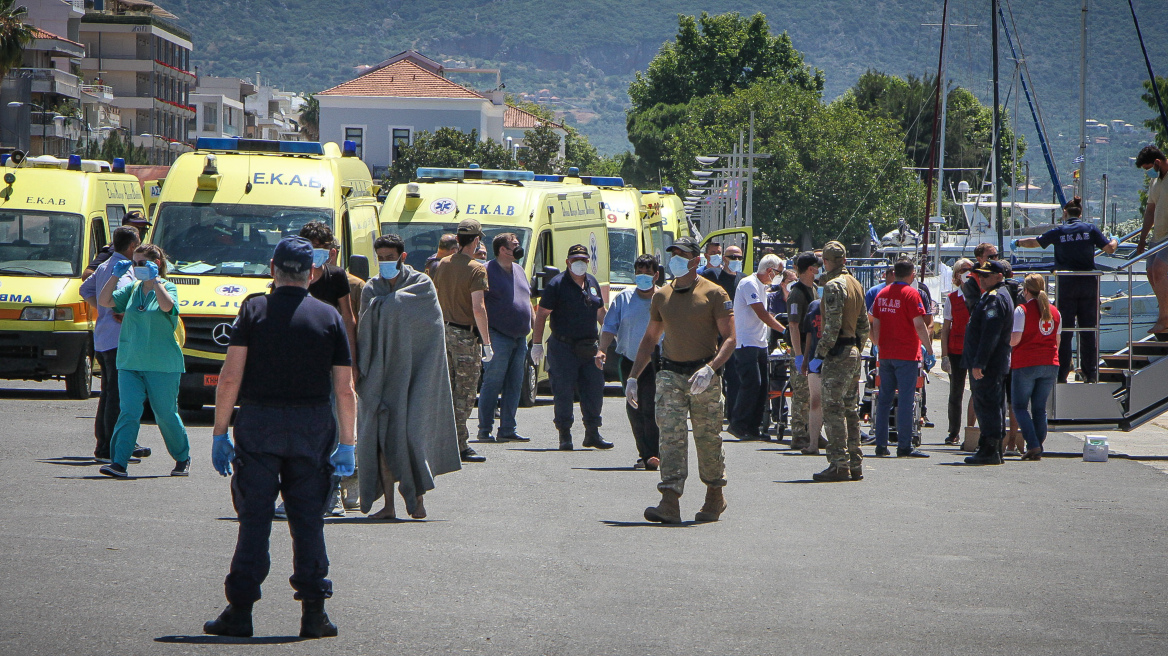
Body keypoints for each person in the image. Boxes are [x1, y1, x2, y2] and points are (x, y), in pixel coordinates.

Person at [203, 236, 356, 640]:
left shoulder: (254, 309)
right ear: (312, 272)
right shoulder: (328, 317)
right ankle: (313, 614)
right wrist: (348, 443)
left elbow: (230, 376)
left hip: (259, 422)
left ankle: (240, 612)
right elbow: (344, 389)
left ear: (273, 268)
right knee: (308, 521)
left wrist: (220, 433)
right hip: (311, 425)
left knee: (254, 519)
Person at [629, 236, 735, 523]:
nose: (675, 258)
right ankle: (670, 500)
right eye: (673, 253)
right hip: (670, 374)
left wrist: (711, 369)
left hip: (704, 375)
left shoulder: (715, 294)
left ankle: (715, 495)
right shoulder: (661, 296)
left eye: (682, 254)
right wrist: (633, 377)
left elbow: (730, 339)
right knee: (670, 438)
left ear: (695, 260)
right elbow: (650, 338)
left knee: (707, 437)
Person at [356, 234, 461, 520]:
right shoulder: (371, 288)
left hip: (416, 373)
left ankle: (416, 496)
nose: (385, 263)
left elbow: (431, 326)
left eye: (390, 257)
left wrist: (388, 305)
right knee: (380, 438)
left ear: (402, 257)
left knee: (411, 434)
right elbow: (365, 329)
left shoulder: (421, 284)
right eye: (381, 258)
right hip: (380, 373)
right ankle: (388, 505)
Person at [95, 244, 190, 478]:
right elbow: (105, 301)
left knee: (165, 414)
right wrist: (115, 274)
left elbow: (168, 307)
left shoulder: (167, 287)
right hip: (130, 362)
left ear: (155, 264)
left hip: (162, 364)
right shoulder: (133, 289)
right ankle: (119, 462)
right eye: (133, 263)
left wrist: (156, 280)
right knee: (128, 411)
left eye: (141, 263)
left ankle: (182, 456)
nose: (136, 268)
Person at [1014, 196, 1117, 383]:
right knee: (1088, 330)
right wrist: (1115, 240)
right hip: (1088, 284)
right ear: (1080, 213)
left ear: (1064, 213)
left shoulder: (1059, 231)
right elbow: (1109, 249)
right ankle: (1090, 373)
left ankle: (1061, 375)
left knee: (1064, 331)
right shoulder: (1090, 229)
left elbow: (1036, 242)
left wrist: (1019, 242)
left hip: (1066, 284)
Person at [531, 244, 610, 451]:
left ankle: (592, 433)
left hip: (589, 348)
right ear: (567, 262)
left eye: (583, 260)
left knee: (594, 390)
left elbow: (601, 311)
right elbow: (541, 314)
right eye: (576, 260)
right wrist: (537, 344)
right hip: (563, 347)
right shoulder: (557, 284)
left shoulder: (591, 282)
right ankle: (564, 434)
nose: (580, 264)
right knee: (563, 392)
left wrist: (613, 333)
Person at [431, 219, 492, 463]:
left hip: (443, 332)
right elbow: (479, 308)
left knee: (447, 390)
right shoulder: (477, 268)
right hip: (465, 336)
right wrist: (486, 343)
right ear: (476, 240)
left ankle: (443, 441)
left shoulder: (443, 264)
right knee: (465, 393)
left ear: (458, 239)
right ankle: (458, 444)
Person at [79, 225, 141, 463]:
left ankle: (103, 445)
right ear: (132, 246)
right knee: (117, 395)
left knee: (107, 394)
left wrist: (102, 308)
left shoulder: (105, 265)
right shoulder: (124, 270)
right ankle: (110, 448)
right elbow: (125, 295)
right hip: (119, 339)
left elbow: (85, 288)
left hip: (103, 337)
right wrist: (117, 309)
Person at [811, 241, 870, 482]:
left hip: (838, 352)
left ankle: (838, 463)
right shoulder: (856, 284)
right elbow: (864, 325)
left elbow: (832, 326)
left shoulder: (834, 286)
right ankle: (854, 462)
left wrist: (820, 354)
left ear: (826, 261)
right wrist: (857, 347)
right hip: (853, 349)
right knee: (850, 410)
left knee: (833, 409)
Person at [598, 254, 661, 470]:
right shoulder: (623, 299)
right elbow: (609, 327)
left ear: (656, 275)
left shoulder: (664, 298)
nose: (643, 277)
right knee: (634, 407)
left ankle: (655, 453)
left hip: (656, 363)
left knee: (652, 407)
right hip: (629, 361)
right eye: (639, 273)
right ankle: (644, 454)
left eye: (648, 273)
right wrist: (602, 349)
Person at [870, 258, 934, 459]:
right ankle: (904, 445)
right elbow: (919, 324)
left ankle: (881, 444)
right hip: (906, 354)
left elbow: (874, 321)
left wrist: (878, 344)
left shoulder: (882, 294)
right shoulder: (911, 294)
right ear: (911, 274)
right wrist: (929, 349)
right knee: (906, 401)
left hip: (886, 353)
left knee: (884, 399)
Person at [477, 233, 533, 443]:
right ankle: (485, 429)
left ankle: (508, 427)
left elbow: (527, 301)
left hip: (520, 338)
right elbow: (479, 302)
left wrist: (534, 336)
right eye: (514, 245)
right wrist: (486, 341)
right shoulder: (487, 270)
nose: (518, 248)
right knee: (493, 382)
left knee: (515, 383)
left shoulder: (519, 270)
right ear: (502, 249)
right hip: (498, 335)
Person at [728, 254, 788, 441]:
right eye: (778, 273)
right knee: (751, 384)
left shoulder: (762, 287)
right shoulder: (749, 284)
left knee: (762, 387)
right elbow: (761, 313)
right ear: (770, 271)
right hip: (746, 342)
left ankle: (753, 427)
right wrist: (784, 331)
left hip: (759, 342)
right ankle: (738, 424)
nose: (779, 276)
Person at [962, 259, 1014, 466]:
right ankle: (990, 447)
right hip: (993, 363)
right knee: (992, 405)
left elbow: (990, 335)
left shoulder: (995, 298)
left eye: (985, 276)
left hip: (989, 365)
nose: (981, 280)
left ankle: (990, 449)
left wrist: (979, 363)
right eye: (979, 276)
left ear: (998, 276)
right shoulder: (996, 296)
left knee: (987, 405)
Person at [1010, 273, 1062, 461]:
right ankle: (1038, 444)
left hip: (1026, 362)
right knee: (1040, 408)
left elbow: (1015, 340)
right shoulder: (1055, 311)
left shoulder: (1021, 310)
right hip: (1050, 362)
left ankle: (1032, 444)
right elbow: (1057, 340)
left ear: (1025, 290)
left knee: (1020, 406)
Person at [299, 222, 358, 367]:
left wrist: (352, 363)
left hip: (328, 355)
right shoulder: (289, 275)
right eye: (315, 246)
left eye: (324, 247)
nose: (319, 251)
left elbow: (348, 319)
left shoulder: (336, 276)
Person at [703, 244, 745, 418]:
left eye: (738, 258)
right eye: (731, 257)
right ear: (724, 258)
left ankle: (732, 413)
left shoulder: (743, 279)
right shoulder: (712, 275)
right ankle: (708, 411)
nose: (735, 261)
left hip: (733, 334)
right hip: (713, 334)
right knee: (711, 373)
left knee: (735, 376)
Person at [786, 252, 820, 453]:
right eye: (816, 266)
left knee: (813, 395)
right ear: (810, 269)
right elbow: (793, 325)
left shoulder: (813, 289)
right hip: (801, 350)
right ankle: (799, 434)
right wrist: (799, 356)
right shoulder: (797, 293)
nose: (819, 269)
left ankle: (813, 433)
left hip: (811, 349)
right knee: (801, 394)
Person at [940, 258, 975, 445]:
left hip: (975, 350)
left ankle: (974, 430)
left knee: (978, 392)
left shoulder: (980, 295)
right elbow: (945, 329)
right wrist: (944, 356)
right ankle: (953, 431)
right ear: (956, 275)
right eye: (963, 270)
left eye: (970, 269)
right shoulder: (952, 299)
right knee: (955, 393)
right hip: (956, 351)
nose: (967, 273)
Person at [1135, 146, 1168, 333]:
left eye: (1148, 167)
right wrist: (1142, 239)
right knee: (1150, 271)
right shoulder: (1155, 182)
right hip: (1158, 235)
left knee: (1159, 268)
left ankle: (1164, 318)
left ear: (1157, 162)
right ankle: (1165, 312)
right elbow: (1150, 210)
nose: (1148, 172)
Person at [81, 211, 152, 280]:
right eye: (136, 228)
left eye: (144, 229)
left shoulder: (144, 251)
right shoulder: (115, 249)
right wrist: (114, 280)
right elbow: (87, 274)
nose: (140, 232)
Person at [962, 243, 998, 313]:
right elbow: (975, 310)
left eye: (996, 256)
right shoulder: (971, 283)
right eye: (990, 257)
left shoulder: (1002, 275)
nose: (994, 260)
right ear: (979, 259)